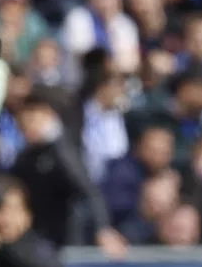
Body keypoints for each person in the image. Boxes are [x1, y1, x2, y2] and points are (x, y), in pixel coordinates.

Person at [9, 95, 126, 253]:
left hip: (66, 235)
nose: (27, 128)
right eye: (22, 124)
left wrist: (102, 228)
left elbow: (88, 190)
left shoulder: (64, 149)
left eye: (31, 120)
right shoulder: (25, 156)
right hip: (38, 234)